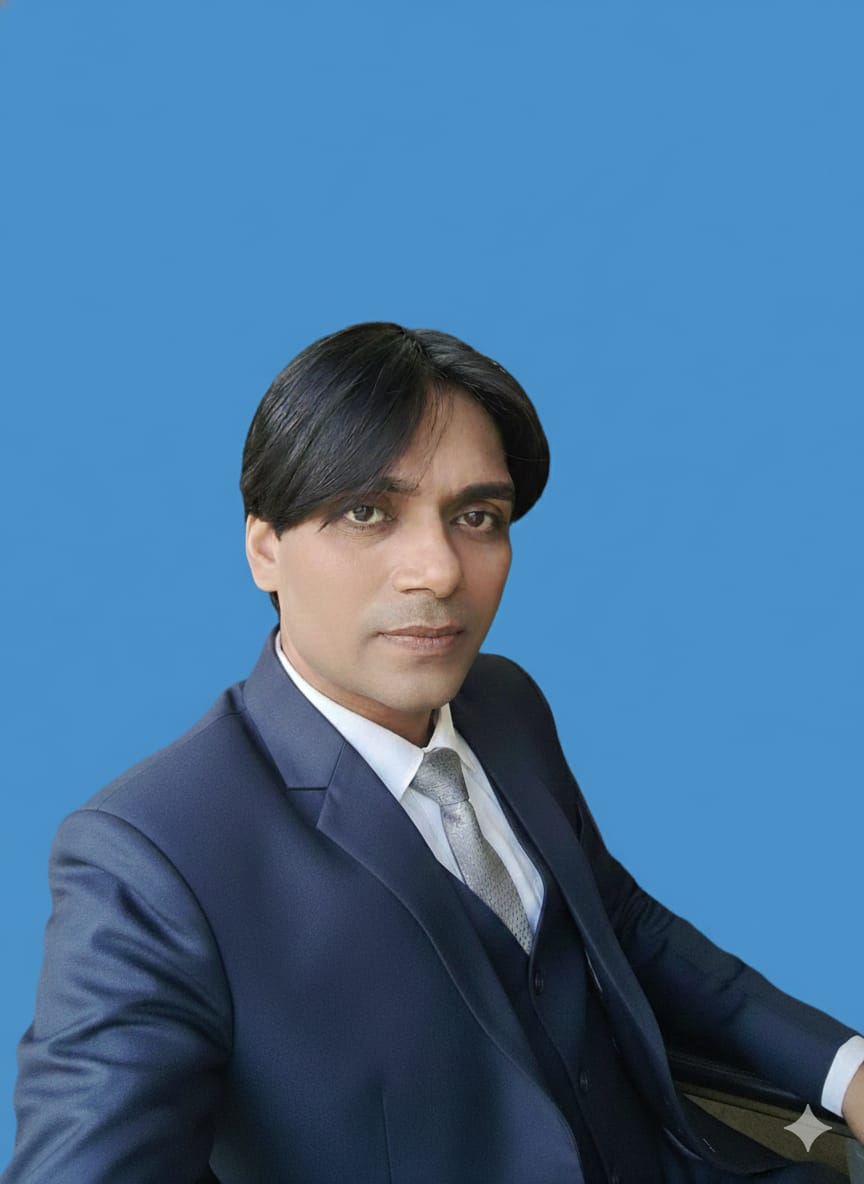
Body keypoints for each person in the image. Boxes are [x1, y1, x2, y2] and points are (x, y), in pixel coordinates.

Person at [2, 322, 862, 1184]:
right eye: (367, 512)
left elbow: (622, 923)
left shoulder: (506, 703)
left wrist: (848, 1069)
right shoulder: (150, 856)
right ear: (264, 547)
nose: (440, 571)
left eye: (476, 517)